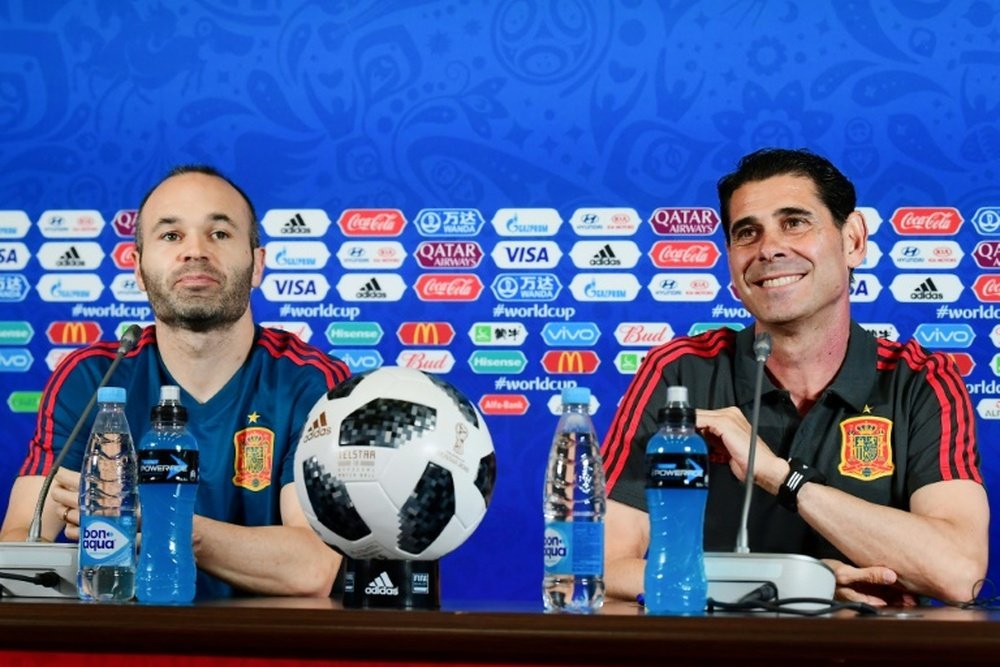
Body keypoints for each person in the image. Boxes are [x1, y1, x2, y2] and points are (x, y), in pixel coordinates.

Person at [600, 148, 988, 606]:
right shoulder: (679, 373)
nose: (768, 249)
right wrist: (791, 585)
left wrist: (782, 477)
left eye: (794, 222)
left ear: (854, 241)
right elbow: (596, 566)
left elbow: (959, 573)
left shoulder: (918, 380)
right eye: (747, 233)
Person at [0, 165, 351, 599]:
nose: (195, 252)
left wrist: (162, 523)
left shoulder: (313, 381)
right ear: (139, 269)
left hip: (266, 647)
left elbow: (312, 566)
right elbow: (21, 540)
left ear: (258, 264)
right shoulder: (91, 377)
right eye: (170, 236)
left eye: (219, 234)